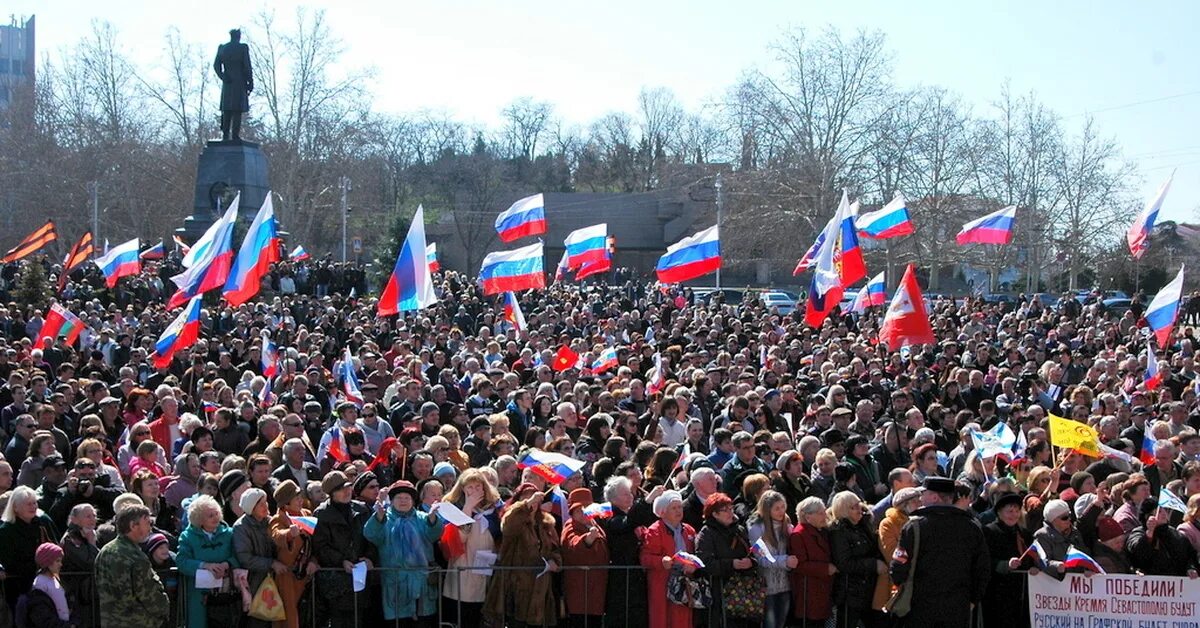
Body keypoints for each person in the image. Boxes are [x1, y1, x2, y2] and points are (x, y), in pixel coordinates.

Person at [890, 477, 991, 627]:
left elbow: (898, 568)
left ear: (934, 497)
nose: (921, 498)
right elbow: (983, 570)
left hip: (920, 607)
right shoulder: (972, 527)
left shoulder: (915, 526)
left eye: (923, 494)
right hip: (958, 608)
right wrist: (972, 600)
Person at [362, 480, 444, 625]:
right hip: (395, 587)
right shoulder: (385, 519)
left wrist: (432, 519)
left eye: (407, 498)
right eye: (399, 498)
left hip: (422, 586)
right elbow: (371, 534)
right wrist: (378, 518)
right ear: (392, 500)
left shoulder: (422, 518)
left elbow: (434, 535)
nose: (403, 501)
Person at [483, 483, 561, 627]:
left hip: (540, 586)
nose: (533, 501)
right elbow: (508, 526)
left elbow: (555, 548)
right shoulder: (513, 520)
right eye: (527, 497)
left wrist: (554, 562)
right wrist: (527, 504)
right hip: (517, 586)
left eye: (535, 498)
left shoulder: (545, 524)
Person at [310, 470, 372, 628]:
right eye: (340, 489)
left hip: (361, 575)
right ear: (331, 493)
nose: (347, 491)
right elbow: (320, 546)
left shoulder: (362, 510)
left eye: (348, 487)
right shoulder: (321, 514)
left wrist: (370, 557)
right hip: (336, 581)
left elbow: (372, 537)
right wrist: (340, 561)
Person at [440, 469, 501, 628]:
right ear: (463, 489)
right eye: (470, 487)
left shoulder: (493, 511)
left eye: (478, 486)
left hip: (485, 571)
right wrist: (468, 508)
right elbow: (458, 540)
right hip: (462, 571)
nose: (474, 491)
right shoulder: (453, 508)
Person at [176, 494, 246, 628]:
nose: (215, 518)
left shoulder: (229, 534)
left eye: (216, 513)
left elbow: (238, 555)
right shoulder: (187, 537)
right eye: (210, 515)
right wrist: (205, 566)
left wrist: (227, 564)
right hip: (198, 595)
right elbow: (181, 561)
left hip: (225, 594)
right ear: (199, 519)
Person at [95, 504, 169, 628]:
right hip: (137, 622)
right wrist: (164, 609)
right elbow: (149, 596)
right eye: (147, 523)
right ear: (133, 526)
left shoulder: (105, 551)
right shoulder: (136, 557)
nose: (150, 529)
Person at [639, 489, 697, 628]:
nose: (678, 511)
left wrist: (693, 564)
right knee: (662, 619)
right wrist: (661, 561)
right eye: (674, 508)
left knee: (682, 620)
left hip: (684, 583)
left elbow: (696, 553)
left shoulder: (689, 530)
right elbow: (645, 557)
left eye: (680, 507)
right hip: (662, 583)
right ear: (663, 512)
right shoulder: (655, 530)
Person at [827, 490, 882, 628]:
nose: (859, 510)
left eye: (859, 505)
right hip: (850, 593)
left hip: (869, 589)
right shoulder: (838, 532)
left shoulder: (863, 526)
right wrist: (874, 564)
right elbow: (844, 563)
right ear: (844, 511)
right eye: (854, 507)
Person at [232, 488, 286, 628]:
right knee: (257, 621)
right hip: (254, 582)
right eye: (260, 504)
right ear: (251, 507)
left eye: (266, 502)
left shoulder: (271, 522)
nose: (266, 506)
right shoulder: (241, 527)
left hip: (275, 580)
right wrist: (271, 563)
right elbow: (245, 558)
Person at [268, 480, 318, 628]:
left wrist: (314, 561)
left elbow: (315, 543)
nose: (301, 500)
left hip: (306, 574)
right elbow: (276, 535)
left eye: (300, 497)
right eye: (296, 498)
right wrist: (289, 533)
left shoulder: (307, 515)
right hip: (287, 576)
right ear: (286, 504)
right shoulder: (278, 519)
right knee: (288, 616)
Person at [0, 485, 59, 610]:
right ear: (15, 507)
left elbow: (55, 546)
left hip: (45, 584)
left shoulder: (42, 523)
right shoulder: (6, 531)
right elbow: (7, 561)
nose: (33, 507)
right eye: (28, 504)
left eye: (34, 503)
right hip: (18, 588)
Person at [747, 490, 800, 628]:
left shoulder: (787, 526)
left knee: (781, 623)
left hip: (785, 585)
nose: (781, 511)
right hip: (767, 587)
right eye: (777, 508)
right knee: (770, 624)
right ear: (767, 510)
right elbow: (761, 559)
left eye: (783, 507)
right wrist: (785, 561)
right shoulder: (756, 529)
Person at [561, 486, 609, 628]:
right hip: (580, 593)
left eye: (587, 508)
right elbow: (572, 547)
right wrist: (587, 540)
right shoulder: (571, 526)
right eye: (579, 510)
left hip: (596, 592)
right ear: (572, 512)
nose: (584, 513)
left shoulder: (594, 525)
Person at [983, 493, 1031, 628]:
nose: (1014, 515)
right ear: (999, 512)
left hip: (1020, 593)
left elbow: (1031, 557)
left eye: (1017, 511)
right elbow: (985, 561)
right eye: (1010, 511)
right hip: (997, 594)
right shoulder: (989, 531)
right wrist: (1005, 565)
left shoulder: (1023, 533)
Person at [60, 503, 100, 628]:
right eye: (88, 516)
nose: (92, 519)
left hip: (91, 594)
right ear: (74, 519)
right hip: (79, 595)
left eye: (94, 515)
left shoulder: (89, 535)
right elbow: (89, 564)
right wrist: (92, 544)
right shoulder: (71, 539)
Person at [26, 542, 73, 628]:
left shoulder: (56, 579)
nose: (61, 564)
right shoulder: (40, 584)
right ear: (47, 562)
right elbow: (42, 615)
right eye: (57, 561)